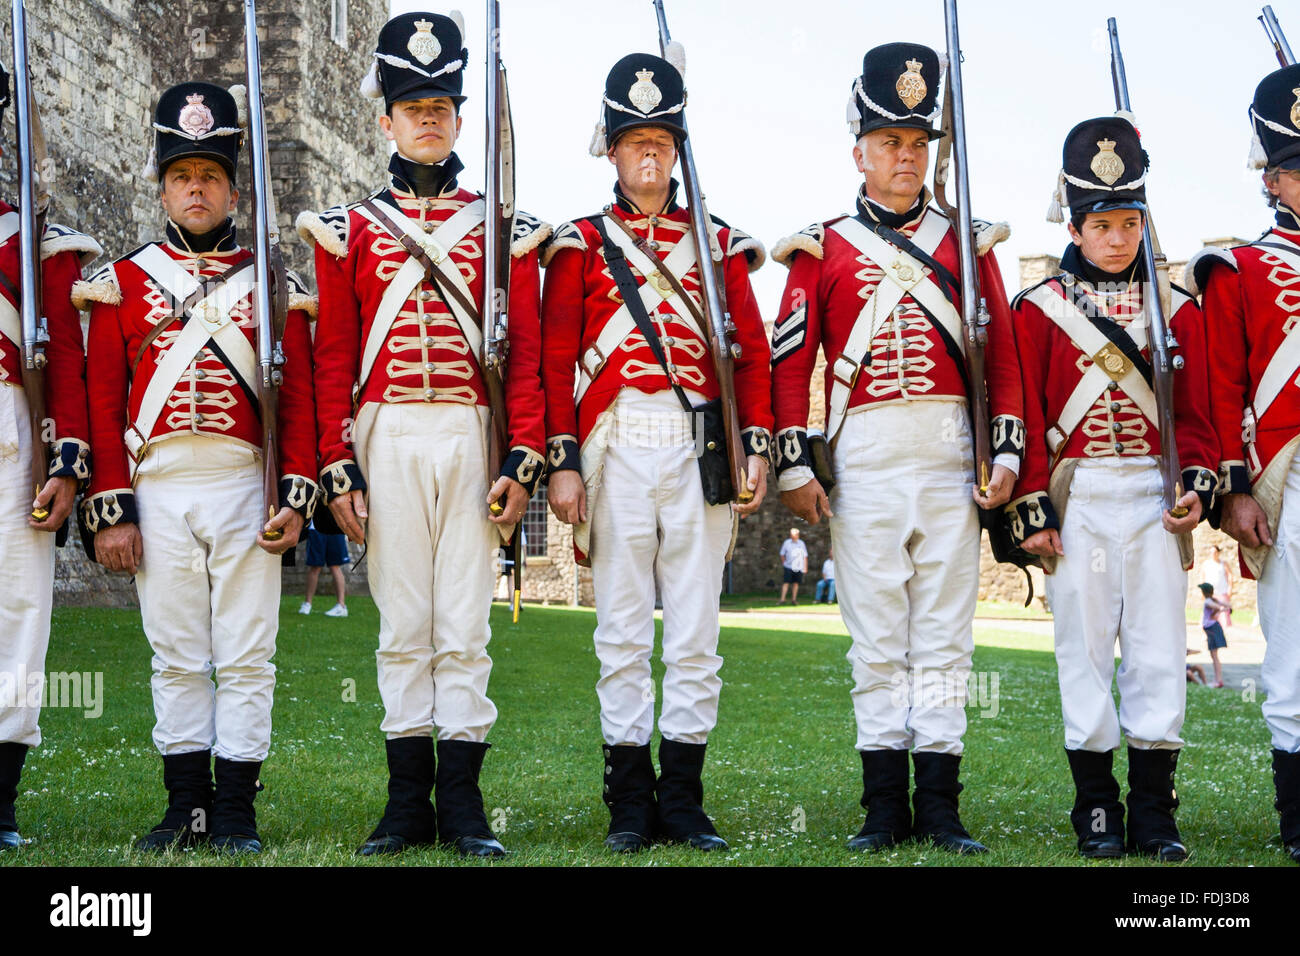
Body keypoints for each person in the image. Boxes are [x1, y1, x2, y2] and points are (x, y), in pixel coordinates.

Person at [298, 11, 548, 857]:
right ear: (386, 120)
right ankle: (408, 806)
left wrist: (521, 456)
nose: (429, 118)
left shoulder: (501, 227)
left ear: (459, 115)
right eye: (414, 105)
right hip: (389, 434)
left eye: (442, 103)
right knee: (403, 623)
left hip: (472, 435)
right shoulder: (350, 229)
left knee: (464, 626)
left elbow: (526, 360)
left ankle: (466, 807)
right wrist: (339, 467)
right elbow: (334, 353)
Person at [771, 43, 1023, 855]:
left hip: (950, 451)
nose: (905, 157)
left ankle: (941, 805)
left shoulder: (971, 244)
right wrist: (795, 463)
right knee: (877, 635)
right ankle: (884, 806)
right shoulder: (823, 248)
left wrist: (1008, 455)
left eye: (918, 144)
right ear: (860, 152)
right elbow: (790, 363)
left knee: (946, 636)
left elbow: (1005, 362)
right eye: (890, 143)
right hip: (867, 458)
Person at [77, 82, 319, 854]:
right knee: (177, 654)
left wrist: (296, 491)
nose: (196, 189)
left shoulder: (270, 278)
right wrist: (111, 504)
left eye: (210, 176)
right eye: (182, 176)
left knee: (247, 654)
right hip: (160, 480)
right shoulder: (125, 279)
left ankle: (237, 813)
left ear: (232, 188)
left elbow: (302, 396)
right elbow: (100, 395)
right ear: (162, 188)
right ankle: (187, 810)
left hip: (244, 480)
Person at [543, 50, 772, 854]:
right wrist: (563, 460)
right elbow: (557, 357)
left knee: (696, 631)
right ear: (609, 149)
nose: (649, 154)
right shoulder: (577, 245)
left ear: (678, 150)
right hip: (615, 445)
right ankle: (629, 804)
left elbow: (749, 355)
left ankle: (683, 800)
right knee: (622, 631)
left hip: (697, 442)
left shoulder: (718, 244)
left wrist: (757, 447)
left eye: (663, 141)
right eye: (635, 140)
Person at [1009, 116, 1217, 861]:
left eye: (1130, 222)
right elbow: (1024, 418)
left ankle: (1157, 816)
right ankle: (1096, 809)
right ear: (1076, 223)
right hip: (1083, 499)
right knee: (1086, 653)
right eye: (1103, 224)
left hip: (1155, 503)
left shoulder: (1177, 307)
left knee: (1159, 652)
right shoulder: (1037, 310)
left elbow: (1198, 419)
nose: (1118, 238)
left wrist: (1196, 482)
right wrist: (1032, 511)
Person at [1189, 61, 1300, 864]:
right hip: (1290, 483)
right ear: (1270, 178)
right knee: (1294, 658)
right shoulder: (1240, 269)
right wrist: (1232, 492)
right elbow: (1219, 387)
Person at [0, 63, 102, 851]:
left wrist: (65, 462)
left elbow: (65, 360)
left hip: (8, 438)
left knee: (18, 615)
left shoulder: (32, 244)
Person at [299, 520, 349, 618]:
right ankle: (307, 604)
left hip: (335, 526)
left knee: (334, 566)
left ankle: (341, 606)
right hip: (318, 528)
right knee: (315, 566)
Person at [1199, 583, 1229, 689]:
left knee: (1214, 656)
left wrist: (1216, 612)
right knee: (1214, 655)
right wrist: (1221, 610)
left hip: (1212, 628)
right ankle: (1217, 679)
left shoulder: (1208, 601)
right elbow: (1227, 605)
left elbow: (1218, 607)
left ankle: (1218, 680)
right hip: (1212, 628)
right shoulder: (1213, 600)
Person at [1201, 543, 1233, 628]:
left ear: (1218, 552)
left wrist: (1230, 588)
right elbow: (1203, 578)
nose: (1213, 554)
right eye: (1211, 552)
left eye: (1215, 552)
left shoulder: (1223, 564)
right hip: (1210, 594)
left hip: (1222, 591)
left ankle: (1220, 632)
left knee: (1222, 615)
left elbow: (1230, 575)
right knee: (1209, 614)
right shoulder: (1206, 564)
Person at [778, 527, 808, 604]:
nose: (792, 536)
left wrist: (805, 567)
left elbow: (805, 556)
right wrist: (784, 563)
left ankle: (794, 600)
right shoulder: (787, 542)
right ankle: (782, 599)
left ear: (797, 535)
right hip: (788, 566)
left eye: (793, 535)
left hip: (798, 567)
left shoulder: (801, 543)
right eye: (791, 535)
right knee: (786, 583)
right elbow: (782, 554)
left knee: (796, 583)